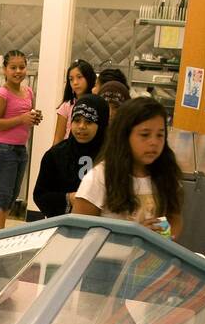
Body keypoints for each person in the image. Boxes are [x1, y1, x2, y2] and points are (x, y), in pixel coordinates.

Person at [72, 96, 183, 239]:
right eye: (145, 135)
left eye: (160, 135)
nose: (154, 142)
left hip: (149, 259)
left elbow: (174, 217)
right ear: (124, 136)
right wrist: (133, 235)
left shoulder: (166, 173)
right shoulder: (99, 177)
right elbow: (78, 232)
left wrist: (164, 234)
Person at [32, 94, 110, 219]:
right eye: (77, 120)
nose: (81, 127)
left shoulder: (111, 156)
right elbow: (40, 195)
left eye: (89, 122)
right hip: (62, 226)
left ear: (101, 124)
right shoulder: (55, 155)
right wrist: (70, 198)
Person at [0, 49, 41, 231]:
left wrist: (34, 118)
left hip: (20, 149)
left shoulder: (28, 92)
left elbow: (27, 116)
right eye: (13, 67)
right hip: (3, 149)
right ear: (4, 70)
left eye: (22, 67)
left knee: (13, 194)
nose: (18, 71)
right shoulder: (2, 94)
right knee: (4, 193)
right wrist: (22, 119)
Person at [52, 59, 96, 145]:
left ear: (88, 78)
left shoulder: (96, 104)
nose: (75, 83)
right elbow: (58, 138)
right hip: (68, 153)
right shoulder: (66, 106)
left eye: (79, 77)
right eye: (71, 79)